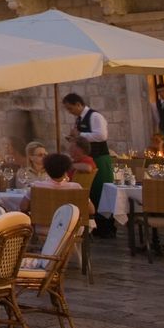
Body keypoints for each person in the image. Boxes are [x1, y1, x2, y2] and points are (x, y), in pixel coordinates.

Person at [63, 92, 115, 237]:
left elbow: (101, 135)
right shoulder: (79, 119)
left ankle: (107, 227)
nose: (70, 112)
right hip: (88, 158)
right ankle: (96, 227)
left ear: (78, 104)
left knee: (101, 191)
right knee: (91, 192)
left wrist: (80, 136)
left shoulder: (95, 116)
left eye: (70, 108)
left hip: (99, 158)